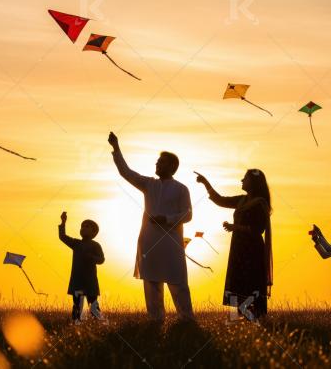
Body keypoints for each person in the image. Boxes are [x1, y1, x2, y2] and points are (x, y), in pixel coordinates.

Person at [108, 132, 194, 322]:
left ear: (172, 166)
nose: (157, 164)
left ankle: (186, 319)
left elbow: (188, 215)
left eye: (161, 162)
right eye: (157, 161)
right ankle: (155, 320)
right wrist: (116, 148)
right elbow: (126, 173)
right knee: (152, 282)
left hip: (171, 243)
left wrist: (166, 219)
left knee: (177, 281)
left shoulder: (181, 189)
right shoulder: (149, 184)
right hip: (149, 241)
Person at [195, 169, 272, 320]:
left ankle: (256, 317)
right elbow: (220, 200)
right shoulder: (242, 200)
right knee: (240, 282)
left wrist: (235, 227)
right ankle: (242, 317)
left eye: (245, 178)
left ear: (254, 183)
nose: (241, 180)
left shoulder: (260, 203)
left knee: (251, 281)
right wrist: (205, 183)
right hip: (239, 248)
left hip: (252, 249)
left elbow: (258, 229)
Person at [58, 211, 105, 324]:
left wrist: (92, 257)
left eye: (87, 226)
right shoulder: (76, 243)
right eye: (82, 226)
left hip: (90, 280)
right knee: (77, 304)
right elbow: (62, 237)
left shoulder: (95, 245)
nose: (83, 228)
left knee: (93, 303)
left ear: (94, 232)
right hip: (77, 280)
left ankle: (99, 323)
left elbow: (101, 259)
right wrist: (63, 222)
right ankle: (76, 323)